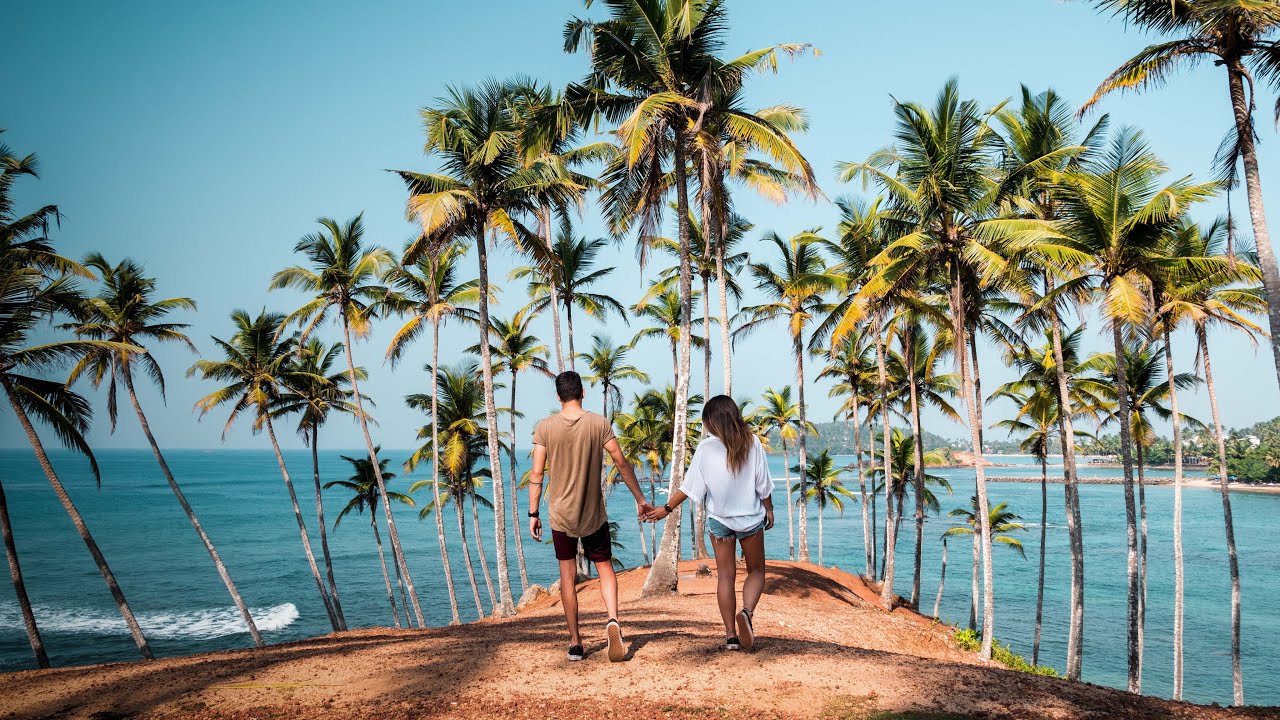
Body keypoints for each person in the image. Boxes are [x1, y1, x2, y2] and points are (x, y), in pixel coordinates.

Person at [528, 371, 652, 662]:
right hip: (594, 514)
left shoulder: (545, 428)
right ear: (583, 392)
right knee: (605, 569)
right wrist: (640, 499)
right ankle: (612, 621)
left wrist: (533, 513)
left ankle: (575, 643)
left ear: (558, 396)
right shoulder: (599, 423)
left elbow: (536, 474)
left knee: (568, 578)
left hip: (561, 516)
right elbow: (621, 463)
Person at [645, 395, 774, 651]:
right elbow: (762, 484)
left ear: (711, 422)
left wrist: (667, 508)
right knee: (756, 571)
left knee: (725, 577)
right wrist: (768, 510)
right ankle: (746, 612)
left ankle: (730, 636)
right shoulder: (752, 442)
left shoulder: (705, 448)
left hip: (719, 522)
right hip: (750, 520)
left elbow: (691, 487)